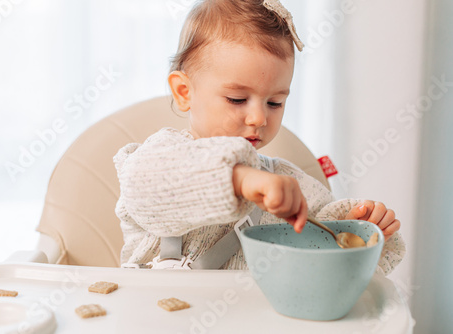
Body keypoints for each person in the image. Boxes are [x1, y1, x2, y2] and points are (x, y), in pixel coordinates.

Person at [113, 0, 405, 275]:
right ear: (184, 92)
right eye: (238, 99)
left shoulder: (290, 186)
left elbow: (321, 251)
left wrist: (359, 234)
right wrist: (240, 180)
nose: (259, 118)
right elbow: (147, 189)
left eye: (275, 102)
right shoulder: (158, 158)